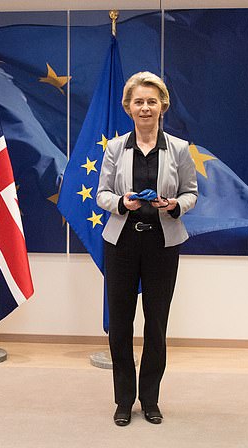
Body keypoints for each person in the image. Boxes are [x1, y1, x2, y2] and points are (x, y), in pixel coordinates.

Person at [97, 71, 198, 426]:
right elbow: (102, 195)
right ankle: (124, 400)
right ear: (128, 107)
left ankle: (150, 399)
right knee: (121, 324)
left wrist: (175, 206)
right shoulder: (114, 148)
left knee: (156, 324)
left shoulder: (180, 149)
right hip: (122, 243)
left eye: (151, 101)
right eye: (138, 101)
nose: (145, 108)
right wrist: (122, 203)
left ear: (163, 106)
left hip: (162, 244)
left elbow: (191, 193)